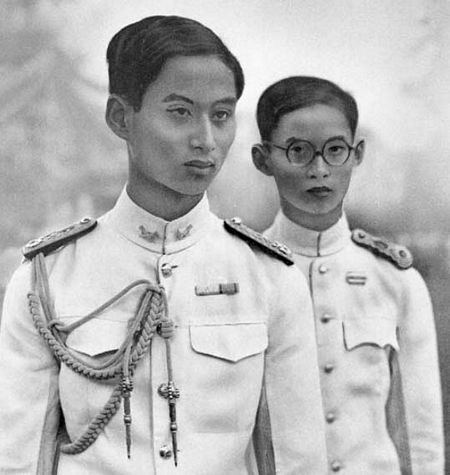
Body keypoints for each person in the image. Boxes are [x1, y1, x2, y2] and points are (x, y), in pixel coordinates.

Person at [0, 17, 327, 475]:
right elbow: (16, 459)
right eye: (180, 112)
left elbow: (298, 461)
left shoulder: (270, 278)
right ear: (121, 118)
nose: (205, 140)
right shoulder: (47, 278)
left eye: (221, 115)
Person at [251, 76, 444, 474]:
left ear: (357, 154)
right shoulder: (245, 274)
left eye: (335, 150)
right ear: (263, 159)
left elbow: (420, 429)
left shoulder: (395, 281)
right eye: (298, 151)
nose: (319, 169)